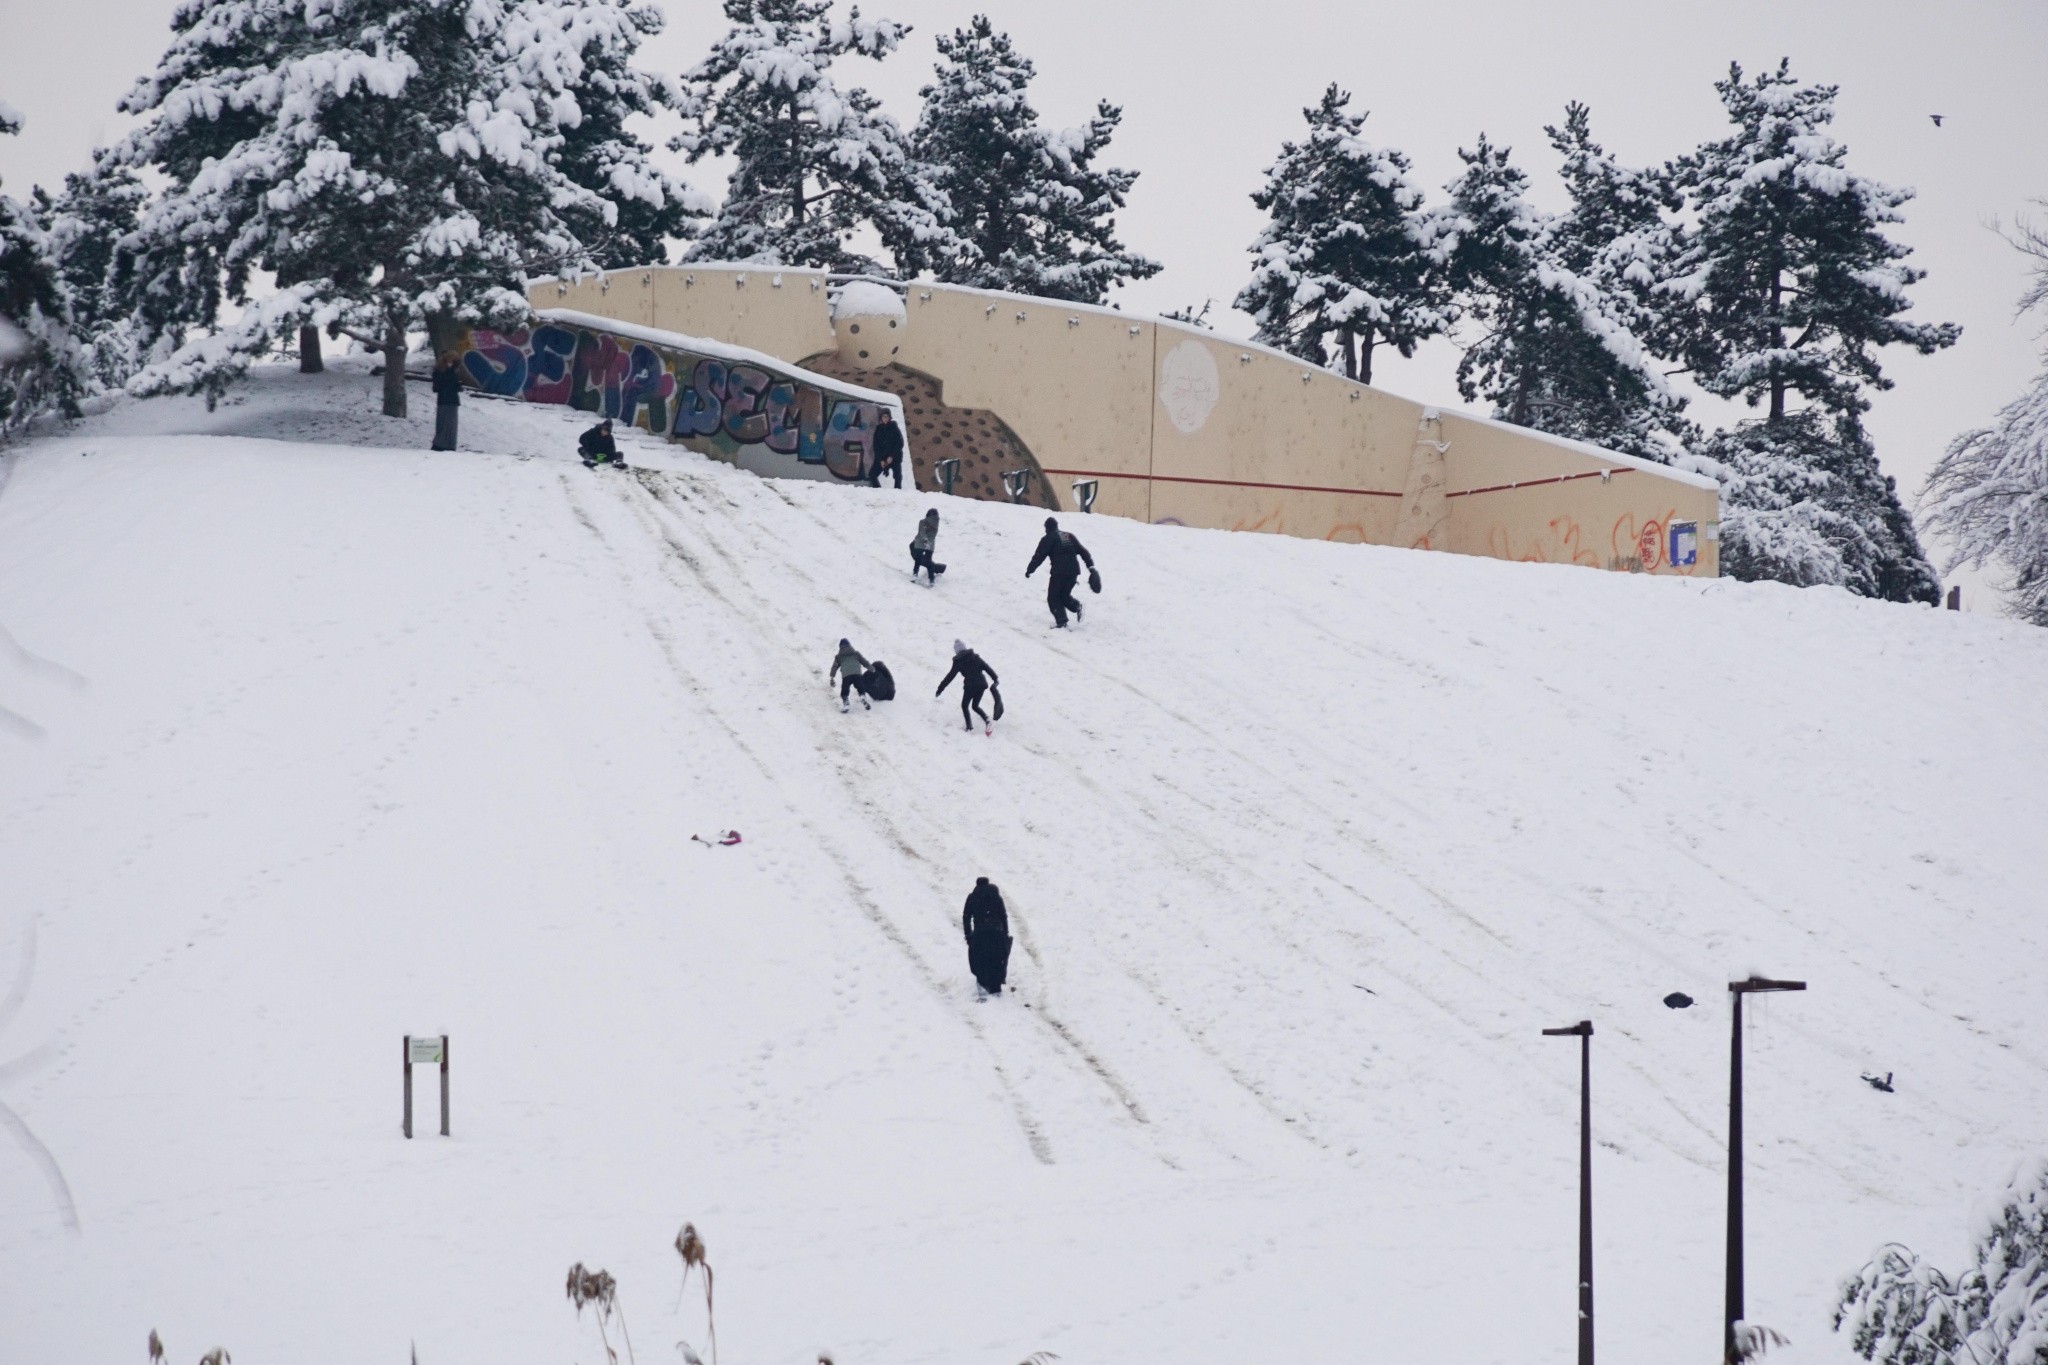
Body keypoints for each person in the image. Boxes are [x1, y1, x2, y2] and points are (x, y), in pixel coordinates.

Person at [1025, 515, 1096, 628]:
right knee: (1063, 595)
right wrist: (1091, 566)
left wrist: (1030, 569)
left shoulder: (1048, 538)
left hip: (1059, 572)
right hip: (1073, 572)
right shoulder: (1069, 536)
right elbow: (1083, 551)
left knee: (1053, 597)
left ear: (1047, 528)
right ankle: (1077, 606)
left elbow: (1039, 556)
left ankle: (1062, 621)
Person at [935, 639, 1002, 733]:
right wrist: (995, 678)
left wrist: (940, 688)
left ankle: (969, 728)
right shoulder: (975, 657)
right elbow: (986, 667)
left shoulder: (958, 662)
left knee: (964, 705)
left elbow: (950, 676)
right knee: (975, 706)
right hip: (981, 684)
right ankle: (987, 720)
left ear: (956, 651)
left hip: (970, 686)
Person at [961, 876, 1012, 997]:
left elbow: (966, 916)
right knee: (997, 958)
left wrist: (968, 935)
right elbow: (1003, 916)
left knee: (980, 959)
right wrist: (1005, 933)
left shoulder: (972, 897)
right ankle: (996, 985)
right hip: (997, 933)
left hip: (980, 934)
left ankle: (984, 983)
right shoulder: (997, 897)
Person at [829, 637, 872, 713]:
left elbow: (834, 667)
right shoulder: (856, 653)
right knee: (860, 687)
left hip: (846, 676)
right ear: (849, 645)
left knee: (844, 691)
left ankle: (846, 703)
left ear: (840, 647)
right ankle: (862, 697)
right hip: (857, 674)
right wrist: (871, 668)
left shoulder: (839, 657)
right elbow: (864, 662)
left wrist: (832, 678)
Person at [430, 355, 462, 451]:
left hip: (447, 400)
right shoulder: (444, 372)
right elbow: (439, 387)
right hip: (447, 400)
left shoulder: (445, 372)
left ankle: (445, 444)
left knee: (446, 425)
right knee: (447, 424)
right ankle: (442, 444)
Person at [909, 508, 945, 584]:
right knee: (928, 562)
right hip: (930, 545)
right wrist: (929, 542)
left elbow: (922, 532)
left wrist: (925, 540)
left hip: (920, 543)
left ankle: (915, 574)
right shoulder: (936, 525)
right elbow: (933, 536)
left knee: (918, 559)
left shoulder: (922, 522)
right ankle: (931, 579)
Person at [870, 409, 905, 488]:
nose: (885, 418)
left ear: (889, 417)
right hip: (882, 458)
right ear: (881, 418)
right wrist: (880, 460)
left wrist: (891, 456)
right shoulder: (878, 430)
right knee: (872, 475)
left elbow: (899, 443)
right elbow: (876, 446)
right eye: (883, 416)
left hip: (894, 457)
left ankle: (898, 493)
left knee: (898, 477)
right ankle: (880, 491)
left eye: (887, 416)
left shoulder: (894, 428)